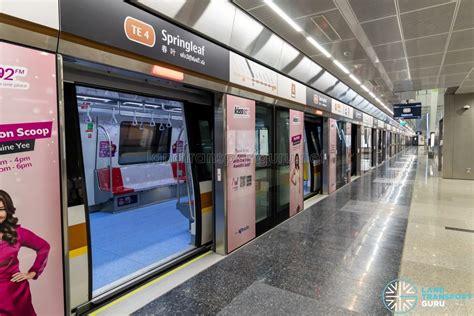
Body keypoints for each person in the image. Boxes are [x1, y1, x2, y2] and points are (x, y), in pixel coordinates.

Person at [0, 190, 50, 316]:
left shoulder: (17, 233)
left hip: (16, 292)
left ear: (8, 210)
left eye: (1, 209)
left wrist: (33, 272)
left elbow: (44, 247)